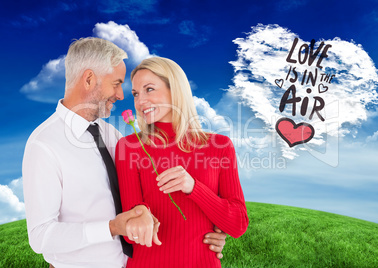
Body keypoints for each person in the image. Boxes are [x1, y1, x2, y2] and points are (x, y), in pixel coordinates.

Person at [22, 37, 226, 268]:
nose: (121, 95)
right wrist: (111, 228)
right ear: (89, 79)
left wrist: (209, 231)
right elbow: (41, 237)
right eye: (116, 83)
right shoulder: (45, 144)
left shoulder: (114, 136)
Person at [116, 56, 249, 267]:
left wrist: (194, 188)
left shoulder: (220, 146)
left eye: (149, 89)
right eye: (135, 94)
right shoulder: (129, 146)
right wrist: (138, 221)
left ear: (174, 90)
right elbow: (132, 232)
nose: (140, 101)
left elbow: (238, 224)